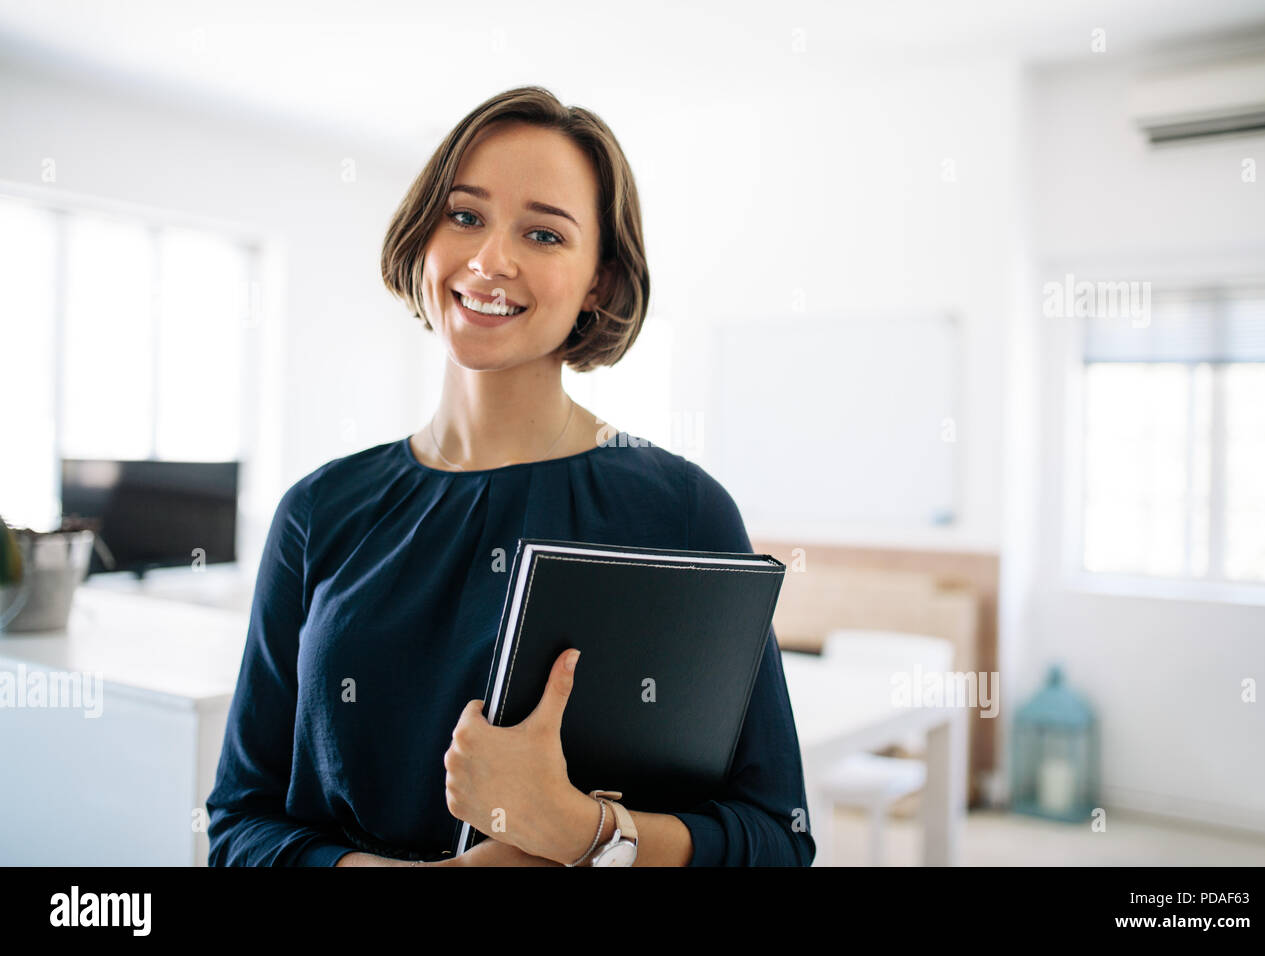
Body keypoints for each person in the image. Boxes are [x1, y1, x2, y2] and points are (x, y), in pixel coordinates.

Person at [205, 86, 815, 867]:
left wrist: (585, 832)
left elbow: (778, 839)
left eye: (544, 233)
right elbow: (240, 824)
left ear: (598, 280)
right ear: (424, 231)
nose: (492, 259)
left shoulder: (682, 509)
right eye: (465, 215)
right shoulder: (319, 511)